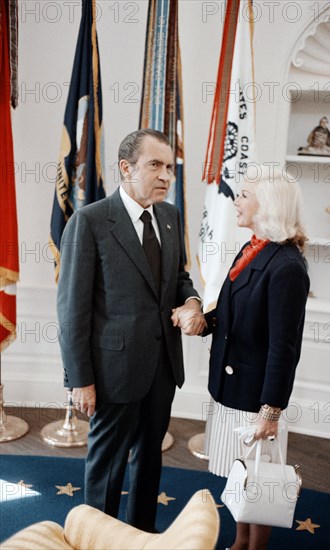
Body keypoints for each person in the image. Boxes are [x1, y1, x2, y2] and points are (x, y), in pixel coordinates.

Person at [57, 129, 205, 532]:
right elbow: (72, 310)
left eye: (170, 168)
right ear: (126, 168)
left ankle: (140, 535)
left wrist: (191, 302)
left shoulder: (171, 217)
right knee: (106, 467)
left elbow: (179, 278)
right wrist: (80, 380)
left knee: (149, 459)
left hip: (163, 367)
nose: (166, 177)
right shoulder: (89, 222)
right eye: (155, 165)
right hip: (111, 373)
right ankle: (96, 538)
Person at [174, 166, 310, 550]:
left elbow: (285, 348)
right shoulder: (254, 247)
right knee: (241, 477)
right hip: (231, 387)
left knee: (260, 479)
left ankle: (254, 547)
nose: (237, 200)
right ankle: (240, 543)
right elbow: (234, 314)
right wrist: (204, 320)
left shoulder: (287, 266)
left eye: (246, 194)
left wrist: (271, 411)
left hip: (256, 397)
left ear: (268, 204)